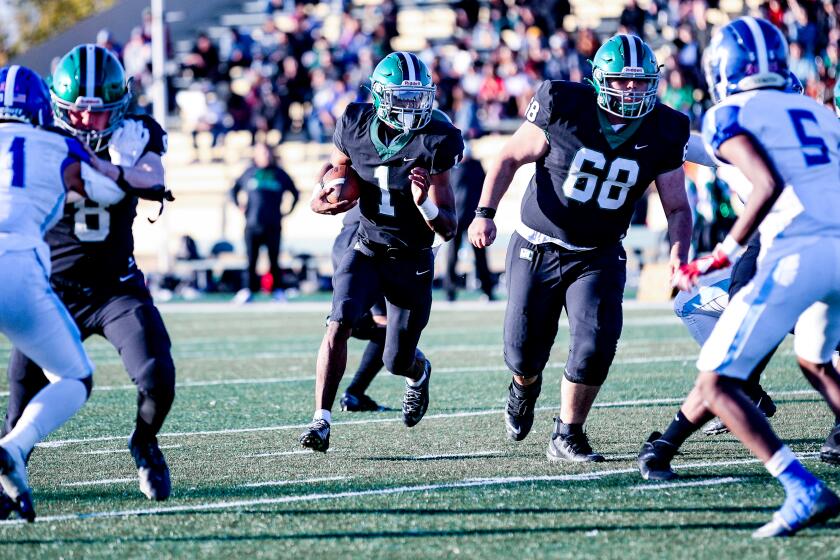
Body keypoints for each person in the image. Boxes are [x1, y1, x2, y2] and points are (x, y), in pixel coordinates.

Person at [655, 17, 840, 537]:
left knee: (715, 384)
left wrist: (722, 253)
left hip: (797, 251)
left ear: (723, 68)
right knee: (816, 362)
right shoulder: (818, 113)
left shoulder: (728, 112)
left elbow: (766, 184)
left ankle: (802, 488)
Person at [468, 34, 692, 462]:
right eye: (622, 82)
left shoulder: (666, 128)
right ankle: (523, 387)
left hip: (599, 252)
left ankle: (567, 432)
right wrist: (485, 211)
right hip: (538, 244)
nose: (631, 90)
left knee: (595, 343)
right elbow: (510, 157)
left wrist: (678, 255)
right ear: (599, 80)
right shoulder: (563, 103)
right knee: (523, 352)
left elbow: (678, 206)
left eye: (640, 82)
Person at [2, 45, 176, 506]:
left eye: (99, 115)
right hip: (51, 289)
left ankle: (144, 443)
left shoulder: (138, 133)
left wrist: (102, 169)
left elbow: (152, 176)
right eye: (78, 113)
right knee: (20, 407)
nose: (87, 123)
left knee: (158, 375)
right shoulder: (45, 138)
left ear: (119, 108)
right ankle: (10, 471)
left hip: (116, 288)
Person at [300, 51, 463, 451]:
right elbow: (336, 170)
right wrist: (322, 195)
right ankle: (320, 420)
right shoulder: (355, 121)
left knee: (396, 360)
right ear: (379, 96)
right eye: (402, 97)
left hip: (412, 256)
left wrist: (424, 203)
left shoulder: (438, 137)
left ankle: (419, 371)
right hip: (367, 244)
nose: (411, 106)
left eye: (416, 96)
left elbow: (449, 224)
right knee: (338, 321)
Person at [0, 65, 127, 521]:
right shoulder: (61, 145)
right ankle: (14, 447)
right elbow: (110, 192)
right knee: (74, 378)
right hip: (17, 265)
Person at [332, 206, 388, 412]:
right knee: (390, 328)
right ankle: (354, 394)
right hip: (370, 237)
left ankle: (324, 413)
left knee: (341, 320)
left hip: (347, 237)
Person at [230, 142, 299, 303]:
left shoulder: (279, 174)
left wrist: (288, 211)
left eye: (267, 153)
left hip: (273, 224)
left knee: (274, 260)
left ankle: (278, 291)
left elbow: (295, 192)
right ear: (255, 155)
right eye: (261, 153)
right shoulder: (249, 172)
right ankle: (247, 290)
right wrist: (239, 205)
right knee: (250, 260)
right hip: (252, 224)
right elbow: (233, 189)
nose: (265, 156)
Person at [444, 142, 494, 301]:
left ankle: (487, 289)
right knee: (452, 256)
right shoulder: (451, 167)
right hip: (456, 218)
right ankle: (450, 291)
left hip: (474, 218)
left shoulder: (476, 166)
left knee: (481, 255)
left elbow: (486, 188)